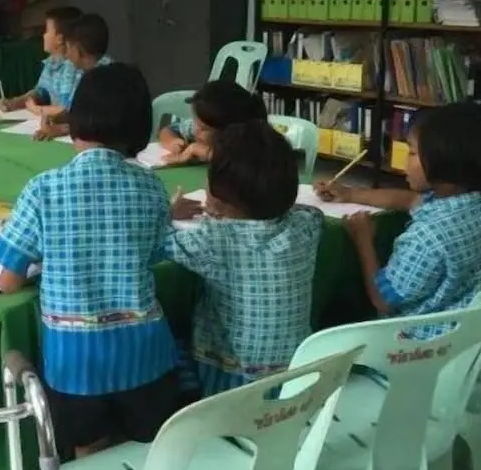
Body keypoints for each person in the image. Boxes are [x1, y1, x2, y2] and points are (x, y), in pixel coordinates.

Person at [0, 62, 179, 470]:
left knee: (89, 462)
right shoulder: (151, 188)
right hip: (147, 356)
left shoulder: (44, 188)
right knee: (148, 456)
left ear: (76, 120)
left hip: (77, 367)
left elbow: (7, 280)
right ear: (138, 128)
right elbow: (158, 253)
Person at [166, 121, 323, 397]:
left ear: (217, 196)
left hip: (233, 380)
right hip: (294, 374)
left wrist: (169, 212)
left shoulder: (214, 239)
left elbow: (160, 240)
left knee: (171, 340)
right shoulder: (307, 226)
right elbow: (307, 212)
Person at [316, 102, 481, 326]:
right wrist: (351, 193)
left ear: (445, 160)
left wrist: (363, 240)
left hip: (412, 337)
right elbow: (409, 199)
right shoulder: (463, 200)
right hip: (468, 331)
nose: (405, 160)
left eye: (412, 152)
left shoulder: (426, 237)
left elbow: (383, 300)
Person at [34, 13, 113, 141]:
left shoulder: (105, 77)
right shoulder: (83, 73)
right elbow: (79, 112)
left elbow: (106, 124)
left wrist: (63, 129)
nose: (66, 54)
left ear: (77, 48)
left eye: (67, 46)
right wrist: (59, 118)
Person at [157, 80, 268, 165]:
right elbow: (168, 130)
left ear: (228, 130)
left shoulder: (252, 139)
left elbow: (244, 161)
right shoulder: (198, 128)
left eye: (204, 128)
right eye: (196, 123)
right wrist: (173, 142)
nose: (196, 130)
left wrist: (205, 152)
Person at [0, 6, 83, 116]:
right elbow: (40, 92)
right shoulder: (51, 62)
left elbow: (67, 109)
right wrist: (16, 102)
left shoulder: (73, 66)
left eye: (46, 31)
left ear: (59, 39)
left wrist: (37, 109)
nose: (43, 35)